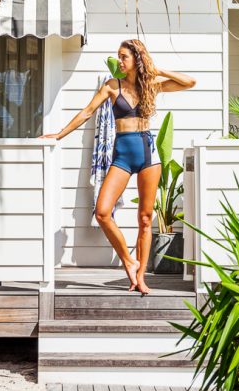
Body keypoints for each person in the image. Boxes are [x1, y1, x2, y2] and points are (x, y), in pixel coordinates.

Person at [41, 39, 196, 294]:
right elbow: (86, 112)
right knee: (102, 212)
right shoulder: (113, 86)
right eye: (119, 56)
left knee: (145, 219)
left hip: (148, 154)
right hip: (122, 155)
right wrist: (58, 135)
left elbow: (189, 82)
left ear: (137, 58)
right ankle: (128, 259)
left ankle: (140, 278)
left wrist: (158, 71)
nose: (119, 61)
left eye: (123, 56)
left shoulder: (151, 86)